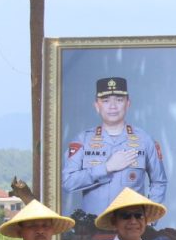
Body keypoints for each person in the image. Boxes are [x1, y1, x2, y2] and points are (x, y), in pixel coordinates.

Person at [62, 76, 167, 215]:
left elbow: (159, 182)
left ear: (128, 103)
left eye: (119, 100)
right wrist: (106, 168)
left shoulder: (144, 140)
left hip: (131, 228)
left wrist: (149, 218)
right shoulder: (83, 140)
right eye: (105, 101)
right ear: (97, 106)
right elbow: (68, 182)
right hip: (92, 230)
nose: (112, 106)